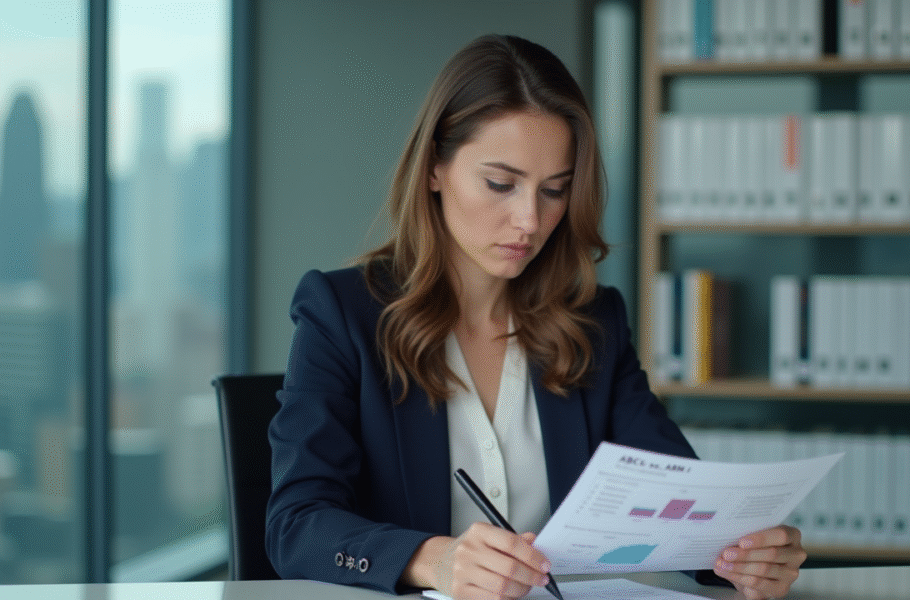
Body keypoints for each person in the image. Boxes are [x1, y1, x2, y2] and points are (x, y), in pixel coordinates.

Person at [266, 34, 806, 600]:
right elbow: (294, 527)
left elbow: (679, 507)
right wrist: (433, 560)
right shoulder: (343, 313)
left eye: (555, 191)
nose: (530, 219)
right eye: (500, 184)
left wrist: (741, 554)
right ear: (434, 169)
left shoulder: (594, 323)